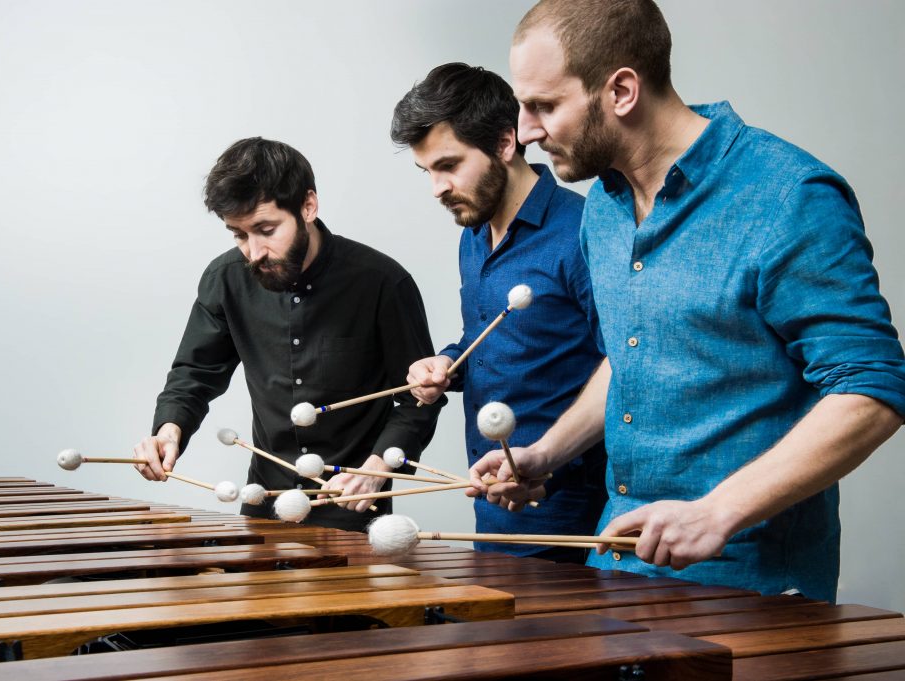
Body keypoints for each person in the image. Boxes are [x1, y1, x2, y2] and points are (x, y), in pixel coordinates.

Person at [470, 0, 905, 601]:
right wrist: (547, 453)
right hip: (619, 566)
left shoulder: (787, 197)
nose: (525, 132)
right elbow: (633, 358)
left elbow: (872, 387)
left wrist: (718, 510)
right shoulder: (604, 206)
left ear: (622, 90)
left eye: (544, 105)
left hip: (746, 586)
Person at [135, 137, 444, 532]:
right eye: (239, 234)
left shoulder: (382, 282)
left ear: (308, 206)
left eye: (266, 229)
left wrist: (378, 467)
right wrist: (168, 430)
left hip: (354, 507)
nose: (254, 251)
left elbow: (420, 399)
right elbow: (194, 375)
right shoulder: (225, 279)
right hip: (265, 501)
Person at [390, 63, 607, 562]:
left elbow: (623, 365)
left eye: (448, 165)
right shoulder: (472, 236)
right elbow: (491, 339)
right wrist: (447, 363)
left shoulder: (583, 232)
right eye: (427, 172)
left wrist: (551, 462)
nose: (437, 188)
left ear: (505, 144)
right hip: (489, 497)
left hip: (568, 507)